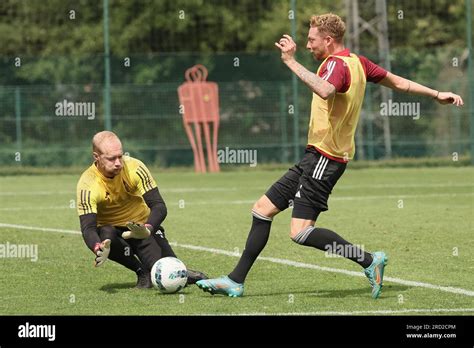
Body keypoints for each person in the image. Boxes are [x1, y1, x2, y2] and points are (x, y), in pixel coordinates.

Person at [196, 13, 463, 299]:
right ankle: (236, 280)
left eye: (312, 40)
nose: (307, 45)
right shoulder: (358, 62)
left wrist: (290, 61)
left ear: (328, 40)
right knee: (262, 209)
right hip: (316, 156)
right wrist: (436, 94)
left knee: (299, 232)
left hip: (326, 157)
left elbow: (325, 90)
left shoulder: (336, 65)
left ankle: (369, 260)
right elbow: (398, 82)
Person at [76, 131, 207, 288]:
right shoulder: (87, 184)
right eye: (111, 158)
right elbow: (88, 228)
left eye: (120, 156)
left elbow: (159, 205)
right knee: (106, 234)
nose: (118, 162)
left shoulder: (135, 167)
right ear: (96, 157)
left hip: (141, 227)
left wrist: (148, 228)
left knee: (169, 273)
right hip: (114, 235)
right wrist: (97, 247)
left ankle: (186, 273)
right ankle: (141, 272)